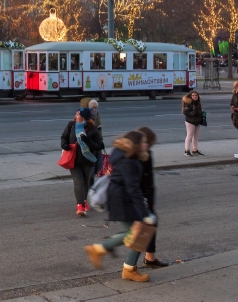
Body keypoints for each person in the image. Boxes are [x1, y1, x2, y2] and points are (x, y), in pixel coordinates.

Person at [85, 131, 156, 282]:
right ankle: (99, 249)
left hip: (126, 199)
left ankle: (129, 269)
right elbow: (132, 188)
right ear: (136, 145)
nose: (146, 145)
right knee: (136, 233)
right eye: (143, 142)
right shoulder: (128, 161)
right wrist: (145, 213)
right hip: (122, 200)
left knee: (140, 234)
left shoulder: (132, 158)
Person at [61, 107, 104, 216]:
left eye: (79, 113)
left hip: (88, 160)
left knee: (86, 182)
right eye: (76, 112)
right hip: (73, 159)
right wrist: (64, 145)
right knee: (78, 182)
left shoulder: (92, 129)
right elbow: (64, 137)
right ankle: (80, 206)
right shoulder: (71, 125)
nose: (76, 114)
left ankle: (84, 202)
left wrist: (87, 141)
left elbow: (99, 146)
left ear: (84, 117)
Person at [136, 126, 168, 268]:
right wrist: (146, 200)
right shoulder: (140, 156)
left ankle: (149, 257)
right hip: (139, 199)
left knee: (149, 225)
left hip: (143, 197)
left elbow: (148, 180)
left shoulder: (144, 153)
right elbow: (143, 180)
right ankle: (132, 264)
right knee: (140, 230)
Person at [182, 90, 203, 157]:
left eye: (196, 95)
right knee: (189, 136)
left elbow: (199, 111)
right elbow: (185, 112)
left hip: (197, 121)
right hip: (190, 121)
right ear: (190, 96)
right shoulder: (188, 103)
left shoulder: (198, 103)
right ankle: (187, 150)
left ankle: (195, 150)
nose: (195, 97)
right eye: (193, 95)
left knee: (196, 136)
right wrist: (194, 112)